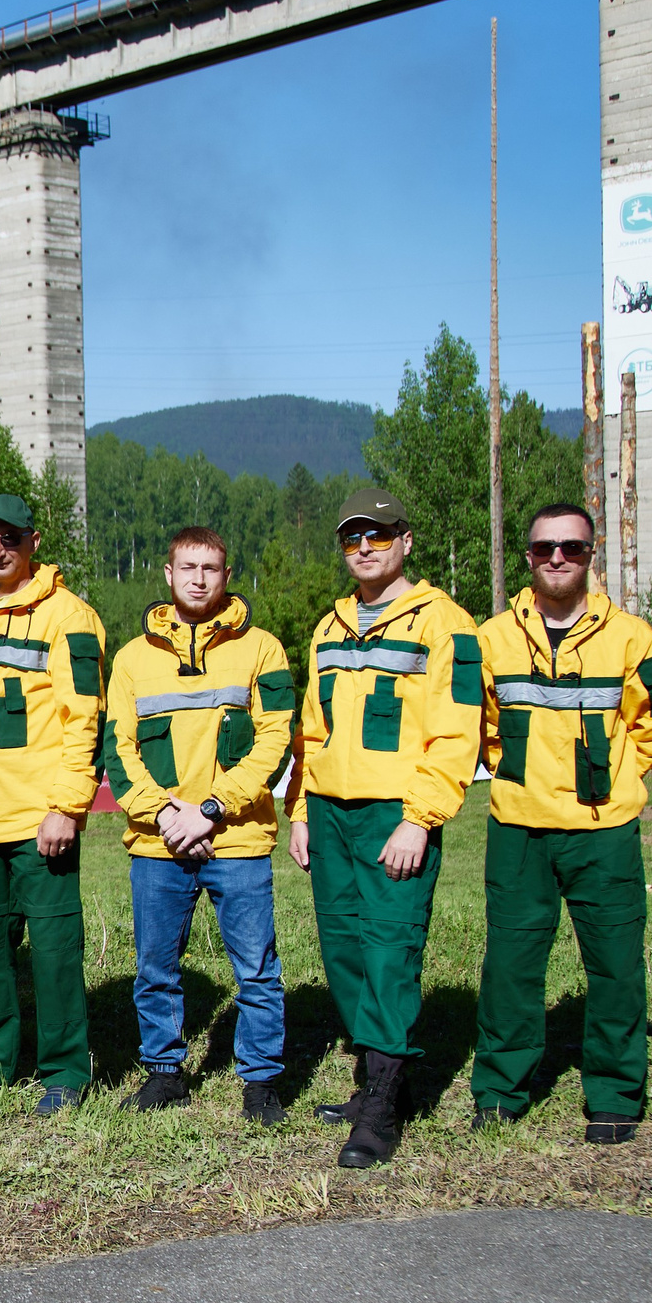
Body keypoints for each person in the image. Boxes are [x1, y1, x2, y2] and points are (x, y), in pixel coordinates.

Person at [472, 505, 652, 1142]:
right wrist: (511, 769)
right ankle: (501, 1089)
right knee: (510, 964)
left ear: (593, 553)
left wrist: (622, 776)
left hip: (604, 831)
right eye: (544, 548)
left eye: (573, 548)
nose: (557, 558)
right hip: (519, 828)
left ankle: (614, 1093)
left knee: (615, 965)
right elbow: (476, 723)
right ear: (528, 556)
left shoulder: (633, 636)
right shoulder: (493, 638)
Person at [287, 486, 480, 1168]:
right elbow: (312, 727)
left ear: (405, 541)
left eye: (378, 535)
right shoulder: (329, 626)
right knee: (343, 952)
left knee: (389, 952)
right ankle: (375, 1079)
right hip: (332, 812)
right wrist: (303, 808)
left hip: (395, 814)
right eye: (351, 538)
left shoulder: (445, 623)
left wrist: (420, 820)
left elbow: (459, 732)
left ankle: (383, 1106)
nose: (364, 548)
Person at [103, 526, 295, 1123]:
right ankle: (164, 1072)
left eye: (211, 568)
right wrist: (165, 812)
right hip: (158, 844)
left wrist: (210, 809)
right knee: (155, 969)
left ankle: (260, 1080)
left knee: (257, 971)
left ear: (227, 575)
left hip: (236, 838)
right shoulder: (132, 658)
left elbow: (276, 740)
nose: (198, 578)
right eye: (187, 567)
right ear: (168, 574)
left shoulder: (263, 648)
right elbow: (119, 749)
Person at [0, 493, 104, 1112]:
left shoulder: (71, 615)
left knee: (56, 948)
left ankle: (64, 1071)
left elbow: (84, 716)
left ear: (34, 542)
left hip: (42, 817)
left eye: (10, 538)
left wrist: (67, 804)